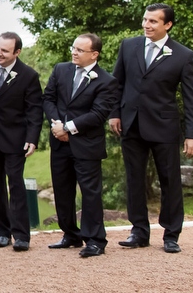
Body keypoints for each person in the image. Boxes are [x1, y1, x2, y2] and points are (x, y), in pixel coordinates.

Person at [109, 3, 193, 253]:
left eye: (153, 21)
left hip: (164, 126)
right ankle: (138, 231)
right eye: (145, 20)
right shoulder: (129, 46)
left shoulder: (183, 55)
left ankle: (171, 235)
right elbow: (116, 83)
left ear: (167, 25)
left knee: (170, 181)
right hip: (131, 124)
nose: (146, 25)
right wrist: (114, 114)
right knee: (134, 180)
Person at [43, 34, 118, 258]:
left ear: (94, 54)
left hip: (86, 145)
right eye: (73, 48)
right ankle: (70, 234)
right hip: (59, 143)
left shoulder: (106, 81)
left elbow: (98, 114)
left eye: (80, 50)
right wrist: (57, 125)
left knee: (90, 193)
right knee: (62, 190)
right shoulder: (61, 70)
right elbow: (48, 98)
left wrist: (68, 128)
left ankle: (95, 240)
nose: (74, 53)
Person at [0, 32, 42, 252]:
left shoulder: (28, 75)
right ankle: (2, 232)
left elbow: (34, 110)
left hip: (15, 138)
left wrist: (32, 138)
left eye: (4, 50)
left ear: (17, 52)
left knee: (15, 184)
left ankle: (22, 235)